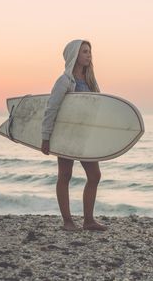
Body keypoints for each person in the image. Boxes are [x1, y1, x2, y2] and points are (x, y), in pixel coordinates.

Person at [41, 39, 107, 231]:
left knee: (95, 175)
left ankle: (88, 220)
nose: (89, 55)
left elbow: (96, 111)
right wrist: (46, 138)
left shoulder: (90, 81)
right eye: (85, 51)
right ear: (74, 55)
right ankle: (68, 222)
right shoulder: (64, 81)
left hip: (84, 137)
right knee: (65, 175)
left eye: (89, 52)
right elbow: (51, 109)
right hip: (67, 136)